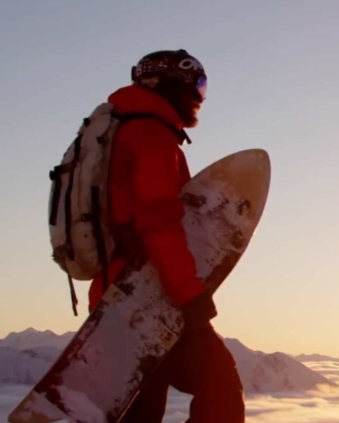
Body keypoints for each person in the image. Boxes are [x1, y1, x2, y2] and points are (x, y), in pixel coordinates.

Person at [90, 49, 245, 422]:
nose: (200, 98)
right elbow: (158, 222)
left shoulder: (119, 129)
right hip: (150, 295)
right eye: (198, 86)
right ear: (170, 84)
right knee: (219, 384)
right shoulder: (150, 133)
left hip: (116, 293)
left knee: (141, 407)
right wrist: (189, 295)